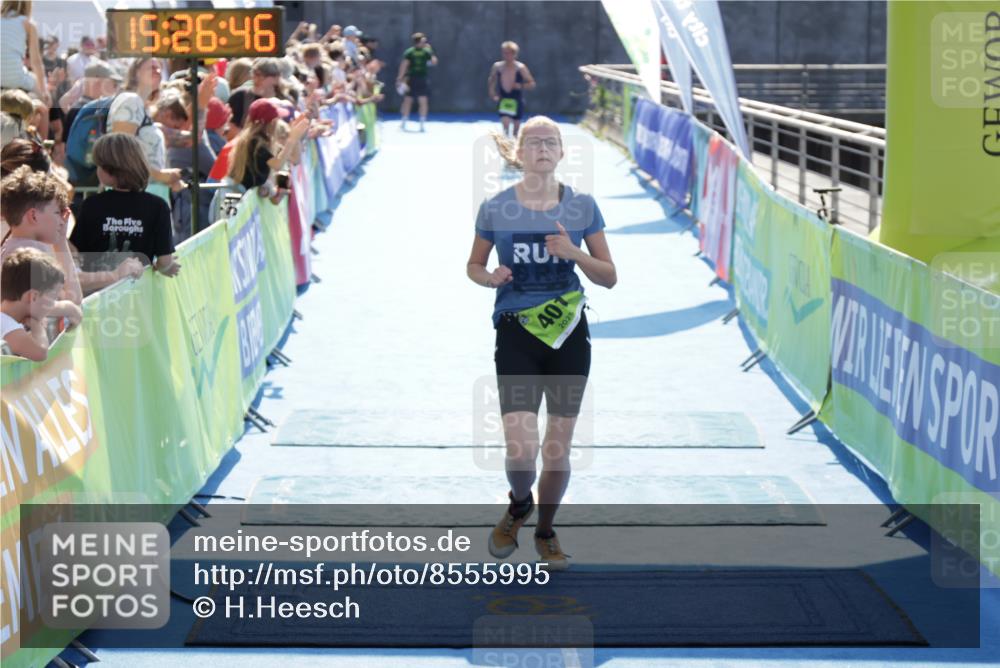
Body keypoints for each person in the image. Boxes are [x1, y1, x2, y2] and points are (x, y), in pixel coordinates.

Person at [465, 117, 617, 570]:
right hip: (516, 332)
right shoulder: (495, 208)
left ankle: (546, 531)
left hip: (569, 334)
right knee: (520, 447)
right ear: (519, 152)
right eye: (535, 142)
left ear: (563, 152)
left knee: (558, 446)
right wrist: (489, 276)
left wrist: (573, 253)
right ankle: (518, 504)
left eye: (552, 142)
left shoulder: (582, 206)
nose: (544, 149)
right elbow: (473, 265)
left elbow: (609, 277)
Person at [70, 133, 179, 280]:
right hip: (139, 293)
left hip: (99, 291)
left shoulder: (92, 204)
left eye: (99, 165)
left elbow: (76, 249)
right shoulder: (157, 206)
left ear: (110, 169)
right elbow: (164, 261)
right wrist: (167, 268)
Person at [0, 165, 82, 308]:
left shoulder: (13, 247)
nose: (61, 221)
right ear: (33, 216)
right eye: (57, 213)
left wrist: (61, 242)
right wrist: (61, 244)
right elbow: (72, 299)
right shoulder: (31, 253)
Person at [110, 57, 182, 198]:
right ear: (136, 73)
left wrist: (167, 179)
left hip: (150, 193)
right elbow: (120, 152)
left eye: (159, 68)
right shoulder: (130, 101)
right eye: (152, 67)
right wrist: (160, 176)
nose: (158, 71)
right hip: (133, 196)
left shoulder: (144, 108)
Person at [1, 247, 78, 360]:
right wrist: (37, 326)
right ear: (33, 296)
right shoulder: (7, 325)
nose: (54, 304)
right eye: (53, 298)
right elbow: (40, 353)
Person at [227, 97, 309, 193]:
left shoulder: (266, 140)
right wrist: (291, 139)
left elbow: (295, 159)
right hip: (237, 195)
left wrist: (296, 137)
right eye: (275, 120)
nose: (278, 122)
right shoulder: (255, 142)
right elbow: (277, 164)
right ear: (268, 123)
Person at [0, 0, 47, 103]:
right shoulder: (27, 24)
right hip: (15, 79)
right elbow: (36, 62)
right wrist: (44, 92)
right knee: (44, 105)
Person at [488, 41, 536, 138]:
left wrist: (520, 86)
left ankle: (514, 148)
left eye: (509, 53)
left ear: (514, 54)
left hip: (516, 100)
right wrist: (492, 92)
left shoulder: (520, 67)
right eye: (505, 53)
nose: (507, 56)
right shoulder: (498, 66)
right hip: (504, 99)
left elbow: (532, 83)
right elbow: (492, 79)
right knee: (505, 126)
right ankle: (506, 147)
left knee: (515, 131)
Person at [397, 32, 437, 132]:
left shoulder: (425, 51)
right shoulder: (410, 52)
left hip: (421, 78)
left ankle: (422, 124)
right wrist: (400, 78)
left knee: (422, 100)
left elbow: (433, 62)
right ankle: (404, 122)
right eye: (423, 40)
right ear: (419, 41)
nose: (425, 42)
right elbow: (404, 65)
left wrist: (430, 51)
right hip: (412, 78)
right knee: (408, 100)